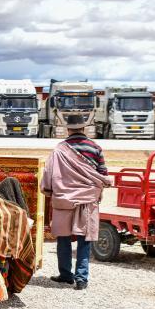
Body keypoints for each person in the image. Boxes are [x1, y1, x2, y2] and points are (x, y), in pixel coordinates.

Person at [42, 114, 113, 290]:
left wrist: (49, 191)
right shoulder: (95, 148)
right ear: (84, 128)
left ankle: (66, 275)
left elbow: (48, 174)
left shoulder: (59, 150)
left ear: (68, 129)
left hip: (64, 200)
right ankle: (81, 279)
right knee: (84, 239)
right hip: (88, 201)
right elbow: (103, 175)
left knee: (63, 238)